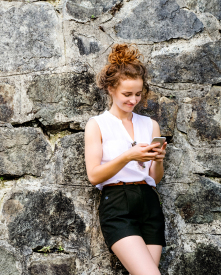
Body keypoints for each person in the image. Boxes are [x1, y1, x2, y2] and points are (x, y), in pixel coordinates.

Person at [84, 44, 167, 275]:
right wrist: (128, 156)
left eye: (138, 94)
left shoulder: (150, 125)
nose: (133, 100)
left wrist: (158, 160)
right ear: (111, 89)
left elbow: (154, 178)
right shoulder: (97, 124)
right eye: (127, 94)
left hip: (149, 203)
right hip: (118, 203)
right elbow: (94, 175)